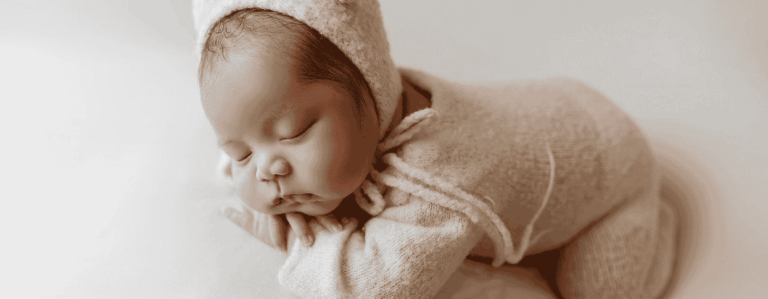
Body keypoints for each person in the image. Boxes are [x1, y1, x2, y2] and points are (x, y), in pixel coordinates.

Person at [194, 1, 677, 298]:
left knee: (598, 290)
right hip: (553, 104)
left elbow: (373, 288)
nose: (267, 170)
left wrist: (304, 239)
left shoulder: (442, 179)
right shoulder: (373, 108)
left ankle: (656, 219)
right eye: (240, 154)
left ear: (370, 78)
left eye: (294, 131)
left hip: (610, 165)